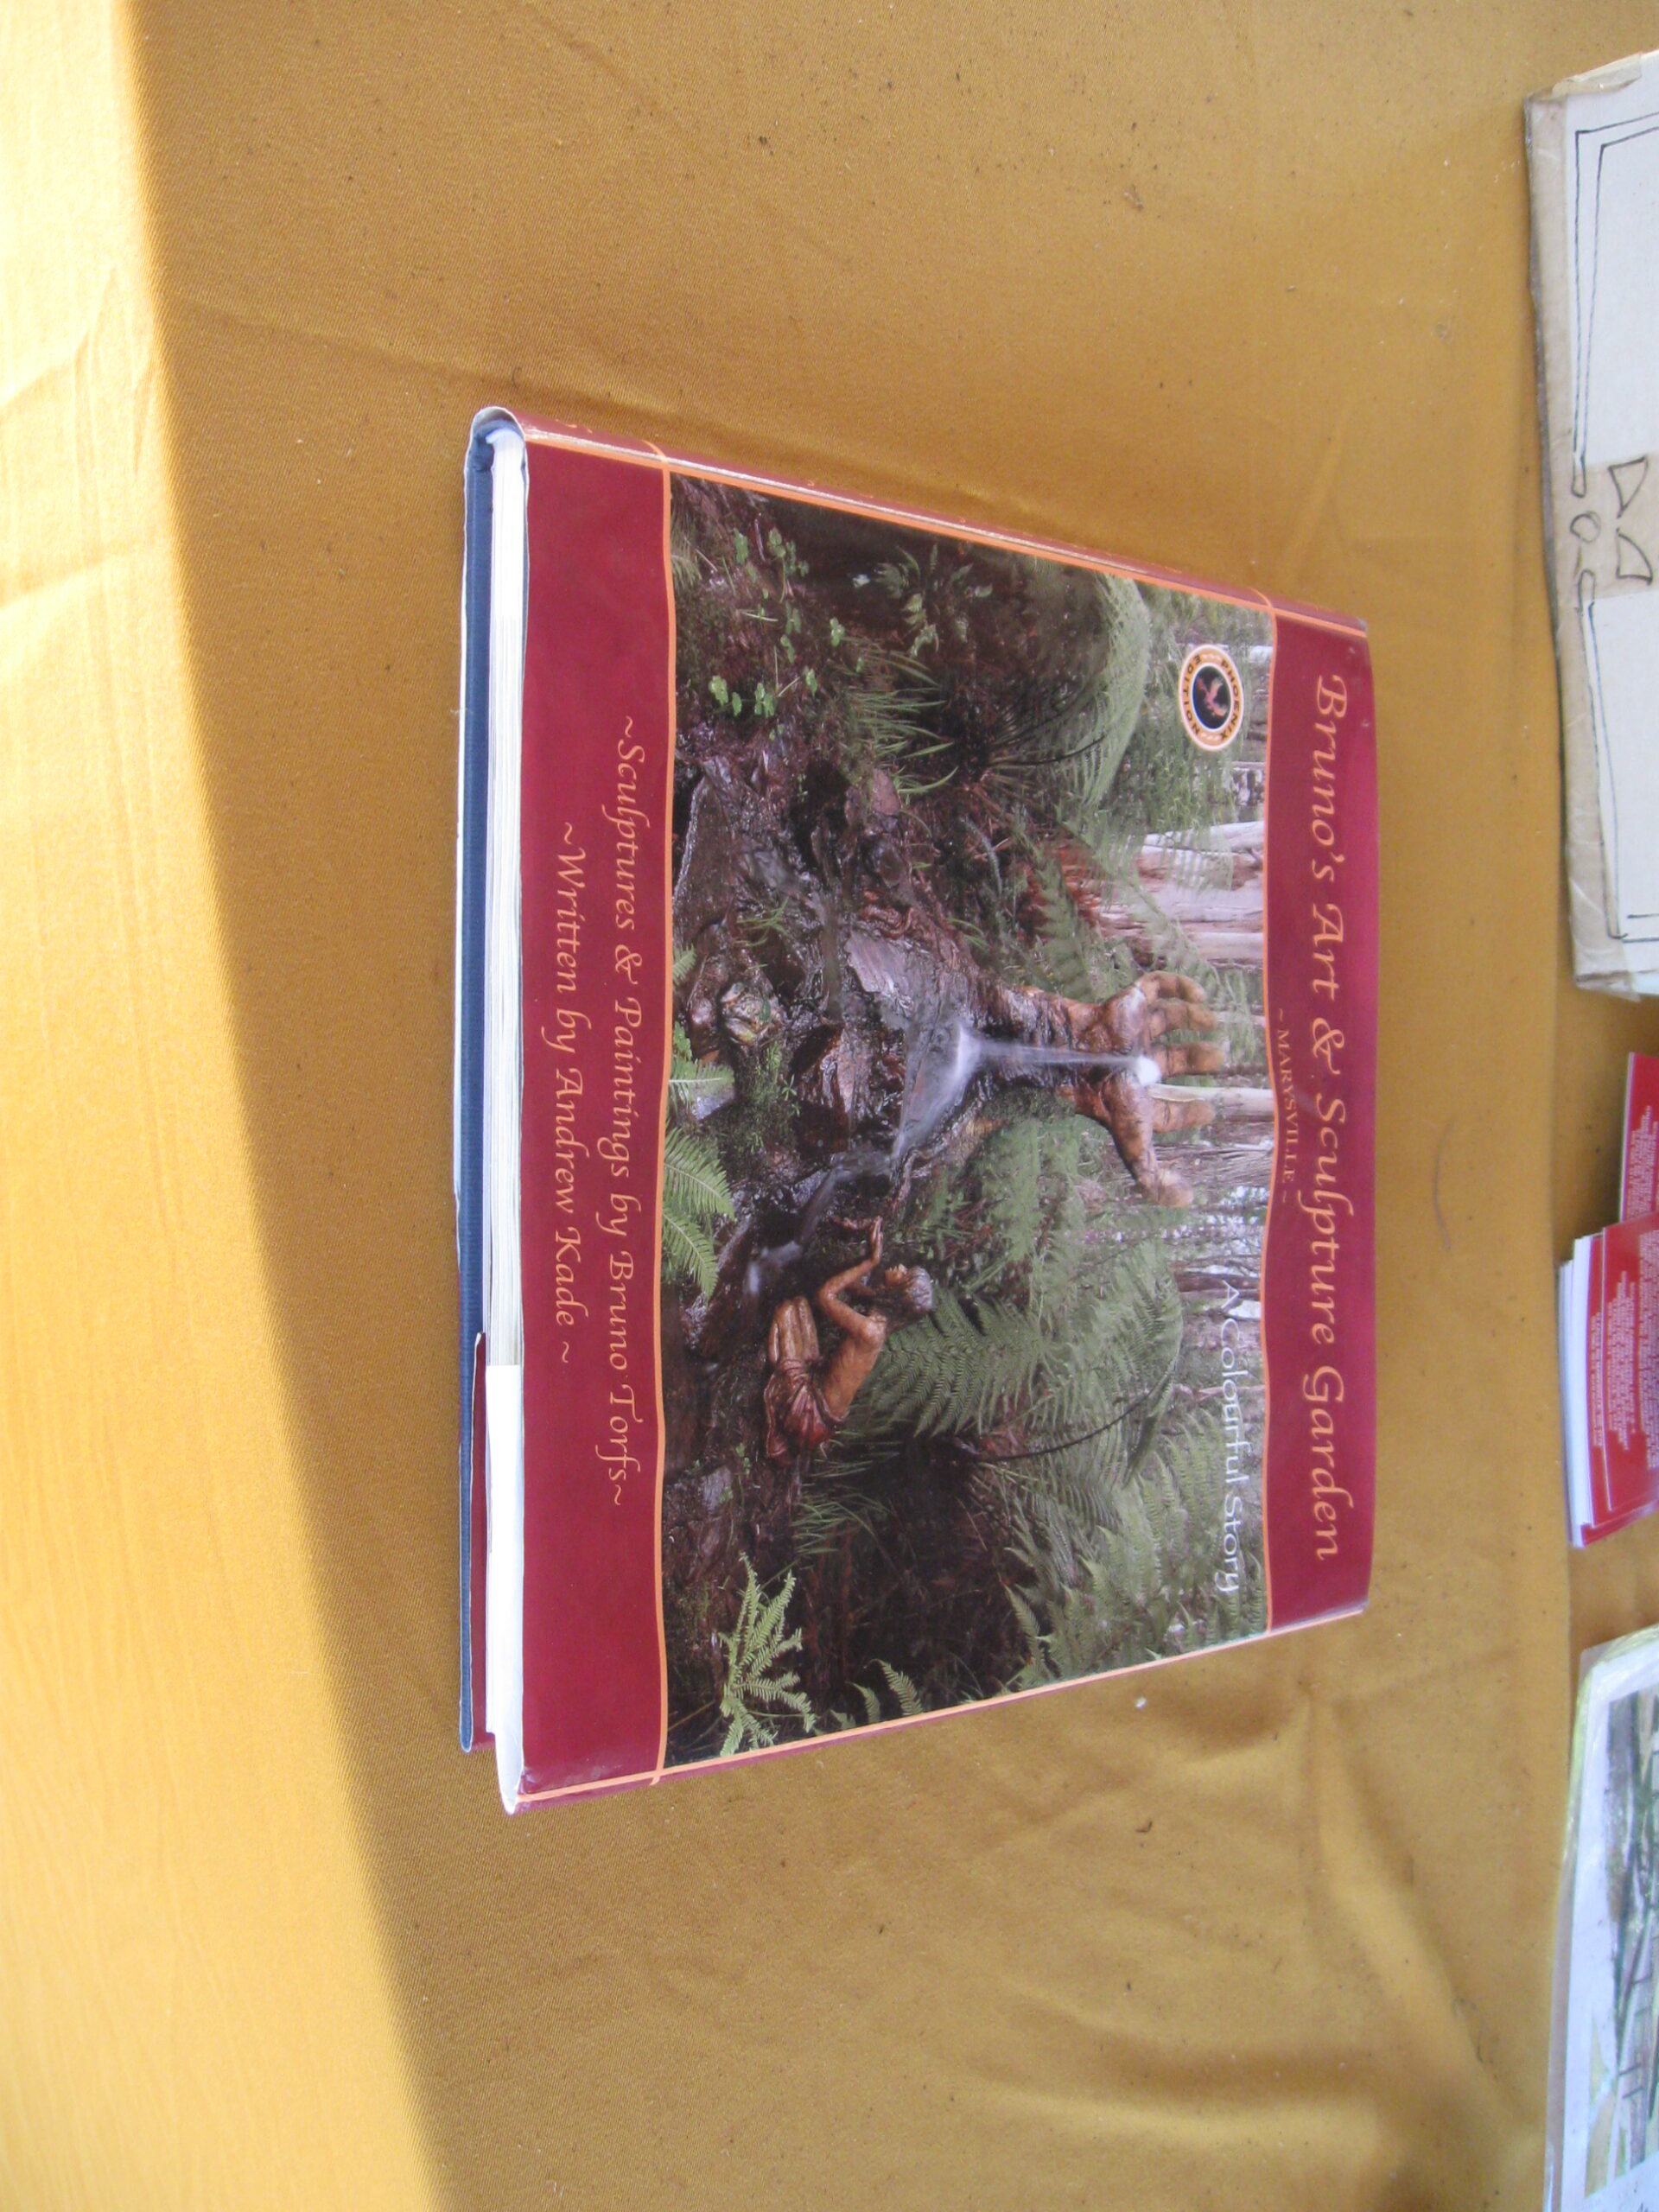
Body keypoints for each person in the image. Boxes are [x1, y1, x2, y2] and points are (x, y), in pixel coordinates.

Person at [762, 1222, 933, 1461]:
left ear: (899, 1295)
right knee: (799, 1304)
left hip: (810, 1413)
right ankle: (785, 1369)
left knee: (785, 1311)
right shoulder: (879, 1316)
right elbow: (847, 1284)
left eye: (904, 1275)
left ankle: (775, 1375)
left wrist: (871, 1262)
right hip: (816, 1387)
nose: (901, 1268)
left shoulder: (870, 1331)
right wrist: (858, 1243)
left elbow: (825, 1296)